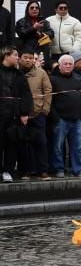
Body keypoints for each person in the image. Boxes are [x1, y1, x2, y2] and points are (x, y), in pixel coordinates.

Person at [49, 54, 81, 177]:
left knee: (77, 147)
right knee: (58, 147)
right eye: (65, 64)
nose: (68, 66)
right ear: (59, 66)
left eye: (70, 64)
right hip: (60, 119)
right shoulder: (53, 79)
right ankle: (59, 169)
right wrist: (55, 116)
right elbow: (49, 100)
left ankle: (77, 169)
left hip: (76, 119)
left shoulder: (77, 80)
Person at [0, 47, 32, 183]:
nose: (17, 57)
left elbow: (26, 95)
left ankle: (8, 171)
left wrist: (24, 113)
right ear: (6, 56)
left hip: (14, 115)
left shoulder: (19, 75)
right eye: (15, 55)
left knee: (12, 144)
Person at [18, 48, 51, 179]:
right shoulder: (16, 73)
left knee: (41, 143)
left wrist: (45, 109)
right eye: (25, 57)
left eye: (31, 58)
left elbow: (48, 91)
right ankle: (25, 171)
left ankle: (43, 170)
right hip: (20, 114)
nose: (28, 60)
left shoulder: (41, 73)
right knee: (23, 145)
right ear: (20, 58)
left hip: (38, 113)